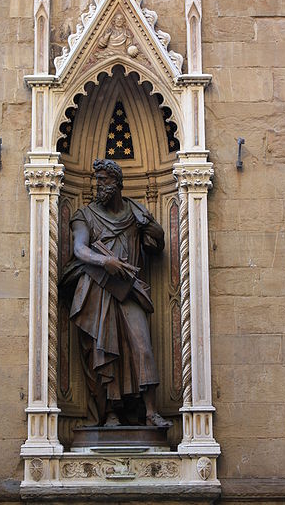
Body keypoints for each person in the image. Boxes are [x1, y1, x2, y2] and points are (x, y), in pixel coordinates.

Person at [60, 159, 171, 428]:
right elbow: (79, 249)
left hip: (129, 290)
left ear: (118, 183)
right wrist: (105, 262)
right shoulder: (84, 216)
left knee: (142, 345)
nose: (99, 184)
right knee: (103, 352)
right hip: (98, 290)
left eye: (104, 179)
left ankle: (151, 412)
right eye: (97, 179)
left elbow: (158, 242)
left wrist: (151, 228)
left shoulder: (135, 212)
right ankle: (110, 413)